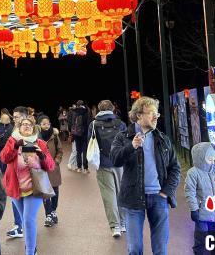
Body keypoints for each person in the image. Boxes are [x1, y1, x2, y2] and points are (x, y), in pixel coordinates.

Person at [111, 97, 181, 255]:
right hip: (133, 198)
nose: (156, 117)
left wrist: (166, 192)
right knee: (134, 248)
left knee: (161, 248)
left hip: (159, 197)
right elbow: (115, 159)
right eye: (151, 113)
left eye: (157, 114)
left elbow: (175, 168)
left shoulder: (163, 139)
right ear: (138, 115)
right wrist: (131, 146)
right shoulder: (123, 137)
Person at [0, 116, 56, 255]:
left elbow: (51, 166)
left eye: (30, 125)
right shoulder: (12, 140)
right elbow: (4, 158)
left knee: (28, 219)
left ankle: (30, 252)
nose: (27, 126)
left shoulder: (40, 143)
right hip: (16, 188)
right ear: (19, 127)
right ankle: (32, 247)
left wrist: (41, 156)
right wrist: (15, 146)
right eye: (24, 124)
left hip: (34, 188)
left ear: (33, 128)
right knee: (26, 221)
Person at [90, 100, 127, 238]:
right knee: (121, 193)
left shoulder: (93, 125)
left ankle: (115, 226)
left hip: (103, 164)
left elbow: (90, 142)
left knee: (108, 196)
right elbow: (126, 142)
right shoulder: (120, 123)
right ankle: (123, 223)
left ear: (99, 109)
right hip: (120, 162)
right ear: (113, 109)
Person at [0, 106, 29, 239]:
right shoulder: (13, 133)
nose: (14, 119)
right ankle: (19, 226)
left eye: (16, 117)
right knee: (16, 199)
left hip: (28, 177)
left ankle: (25, 228)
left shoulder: (34, 134)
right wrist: (14, 146)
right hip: (14, 175)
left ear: (24, 117)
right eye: (13, 117)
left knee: (27, 207)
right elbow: (4, 156)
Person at [37, 114, 63, 227]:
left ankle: (53, 211)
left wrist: (56, 162)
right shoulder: (36, 137)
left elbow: (60, 151)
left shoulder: (55, 136)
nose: (46, 126)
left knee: (55, 190)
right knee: (45, 192)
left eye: (48, 123)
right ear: (39, 125)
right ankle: (48, 214)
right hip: (42, 168)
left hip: (53, 168)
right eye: (44, 124)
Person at [70, 100, 91, 173]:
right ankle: (85, 168)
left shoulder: (74, 111)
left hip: (76, 134)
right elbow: (89, 122)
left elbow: (71, 123)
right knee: (85, 151)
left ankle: (79, 167)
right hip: (85, 133)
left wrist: (72, 132)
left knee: (78, 151)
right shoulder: (87, 111)